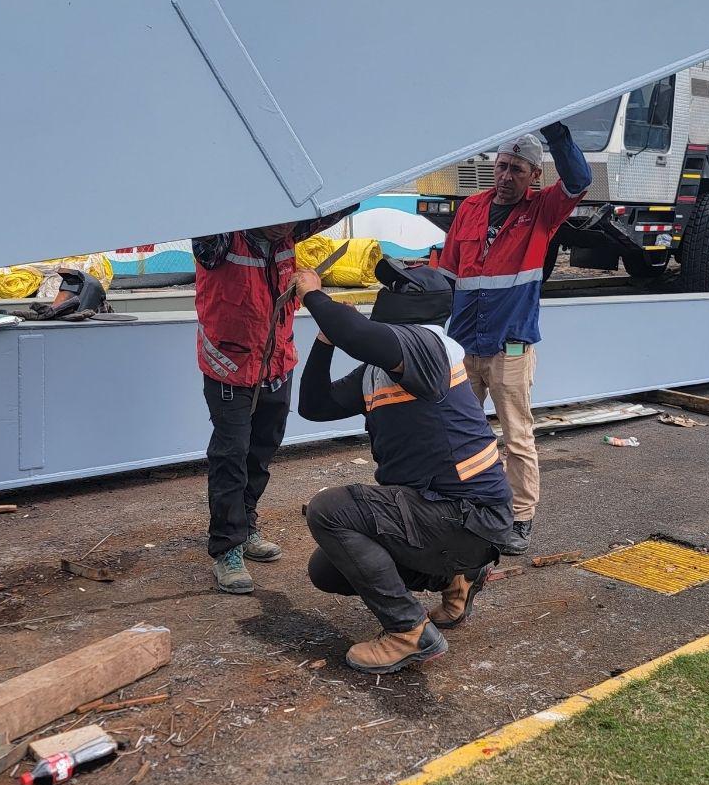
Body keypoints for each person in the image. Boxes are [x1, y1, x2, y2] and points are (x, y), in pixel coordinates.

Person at [293, 257, 514, 673]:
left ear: (421, 303)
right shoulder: (380, 369)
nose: (387, 295)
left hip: (470, 515)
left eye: (397, 288)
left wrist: (314, 296)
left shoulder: (430, 345)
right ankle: (458, 578)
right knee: (328, 570)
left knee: (329, 510)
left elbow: (358, 334)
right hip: (439, 513)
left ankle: (408, 632)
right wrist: (325, 340)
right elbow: (314, 406)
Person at [437, 124, 591, 555]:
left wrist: (559, 135)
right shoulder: (470, 208)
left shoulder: (543, 211)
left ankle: (520, 517)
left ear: (534, 175)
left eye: (517, 170)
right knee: (456, 433)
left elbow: (579, 180)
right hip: (463, 345)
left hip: (511, 347)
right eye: (502, 166)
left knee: (517, 437)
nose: (506, 176)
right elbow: (448, 272)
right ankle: (462, 504)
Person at [193, 206, 357, 594]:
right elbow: (200, 210)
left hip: (276, 364)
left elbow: (340, 204)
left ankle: (246, 524)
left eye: (291, 217)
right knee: (231, 456)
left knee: (262, 450)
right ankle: (227, 547)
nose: (286, 224)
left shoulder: (287, 233)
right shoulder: (219, 240)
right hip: (230, 366)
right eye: (277, 213)